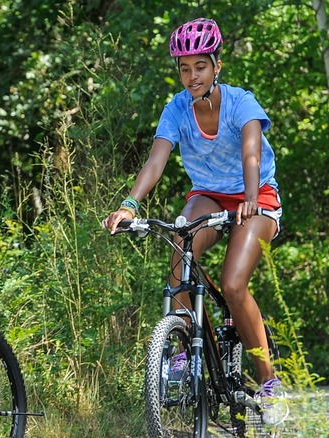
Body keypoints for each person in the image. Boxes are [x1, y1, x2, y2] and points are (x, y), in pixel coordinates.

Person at [102, 18, 287, 424]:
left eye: (199, 66)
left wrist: (252, 200)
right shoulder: (176, 108)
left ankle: (269, 383)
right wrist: (129, 205)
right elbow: (156, 160)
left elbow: (251, 155)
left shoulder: (242, 103)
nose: (192, 76)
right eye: (184, 69)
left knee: (234, 283)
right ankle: (185, 351)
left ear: (216, 65)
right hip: (207, 195)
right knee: (179, 262)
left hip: (256, 196)